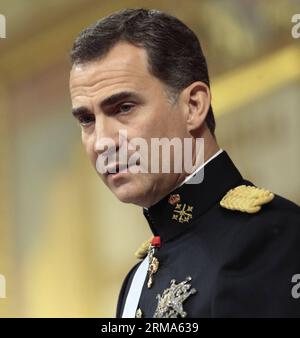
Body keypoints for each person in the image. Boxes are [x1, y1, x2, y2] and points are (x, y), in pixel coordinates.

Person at [69, 8, 300, 318]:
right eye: (87, 119)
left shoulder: (271, 238)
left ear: (193, 106)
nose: (101, 142)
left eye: (124, 108)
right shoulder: (138, 279)